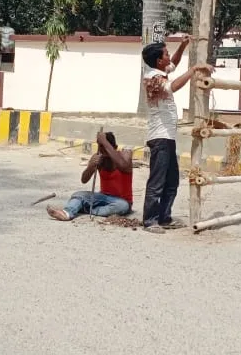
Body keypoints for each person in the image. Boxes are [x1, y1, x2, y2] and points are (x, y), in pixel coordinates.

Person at [140, 37, 214, 234]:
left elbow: (174, 63)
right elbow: (173, 86)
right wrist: (194, 69)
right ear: (158, 61)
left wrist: (183, 45)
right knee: (157, 181)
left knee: (172, 180)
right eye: (166, 54)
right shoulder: (153, 78)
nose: (169, 56)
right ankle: (150, 221)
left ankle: (164, 217)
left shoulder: (159, 71)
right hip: (160, 137)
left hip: (168, 136)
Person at [47, 131, 134, 221]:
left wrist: (104, 141)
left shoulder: (125, 155)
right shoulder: (98, 158)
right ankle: (67, 213)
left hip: (121, 201)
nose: (102, 151)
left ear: (115, 147)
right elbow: (84, 180)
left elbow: (123, 165)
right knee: (78, 195)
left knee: (122, 206)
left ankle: (86, 209)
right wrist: (91, 166)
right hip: (102, 197)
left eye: (106, 148)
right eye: (100, 147)